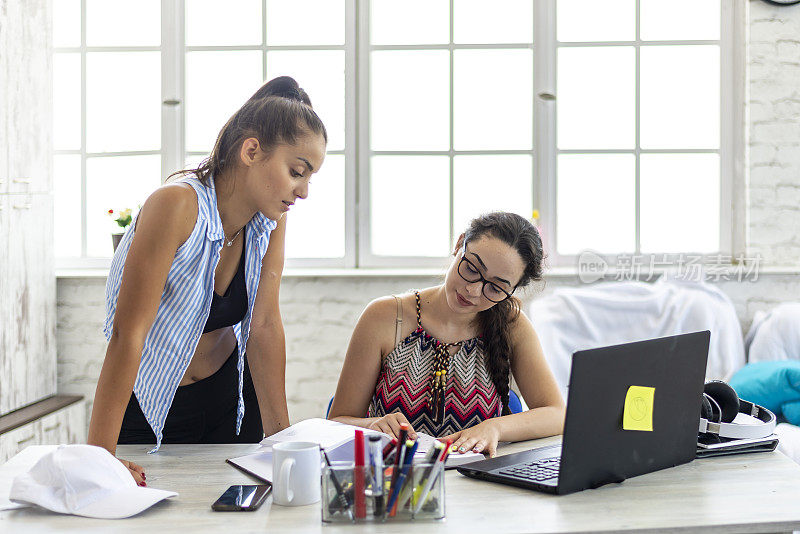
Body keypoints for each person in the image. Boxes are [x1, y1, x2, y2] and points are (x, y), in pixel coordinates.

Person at [87, 76, 327, 486]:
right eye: (296, 172)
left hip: (228, 402)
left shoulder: (271, 220)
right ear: (251, 150)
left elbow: (265, 325)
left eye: (309, 178)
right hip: (152, 405)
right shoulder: (176, 205)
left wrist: (282, 443)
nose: (303, 191)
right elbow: (130, 334)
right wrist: (98, 458)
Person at [328, 212, 565, 457]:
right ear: (458, 244)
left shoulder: (512, 325)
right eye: (472, 268)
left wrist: (495, 428)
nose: (473, 291)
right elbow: (336, 421)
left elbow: (557, 414)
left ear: (511, 290)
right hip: (396, 482)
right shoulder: (385, 317)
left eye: (495, 288)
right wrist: (371, 425)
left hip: (479, 486)